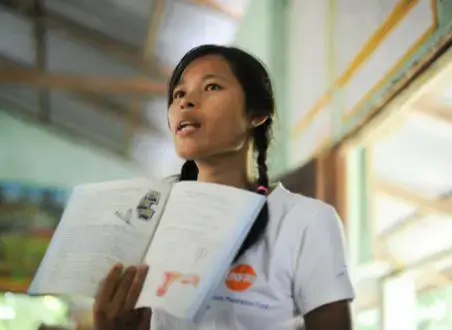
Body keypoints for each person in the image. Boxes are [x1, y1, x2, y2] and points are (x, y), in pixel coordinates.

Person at [93, 45, 355, 330]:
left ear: (258, 113)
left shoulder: (306, 222)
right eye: (179, 94)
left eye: (212, 87)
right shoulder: (150, 224)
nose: (186, 102)